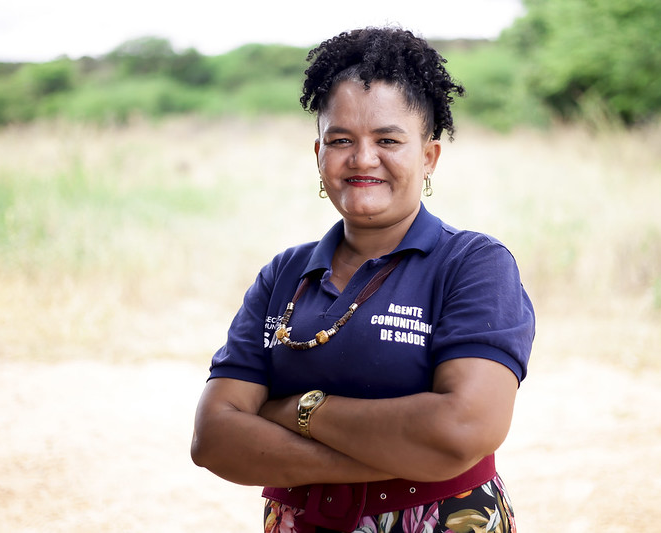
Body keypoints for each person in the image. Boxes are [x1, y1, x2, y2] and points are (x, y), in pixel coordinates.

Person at [191, 26, 535, 533]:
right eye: (341, 140)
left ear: (429, 156)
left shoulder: (473, 264)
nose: (362, 159)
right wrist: (397, 458)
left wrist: (296, 410)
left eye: (388, 140)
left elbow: (462, 430)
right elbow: (214, 439)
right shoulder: (284, 274)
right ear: (319, 155)